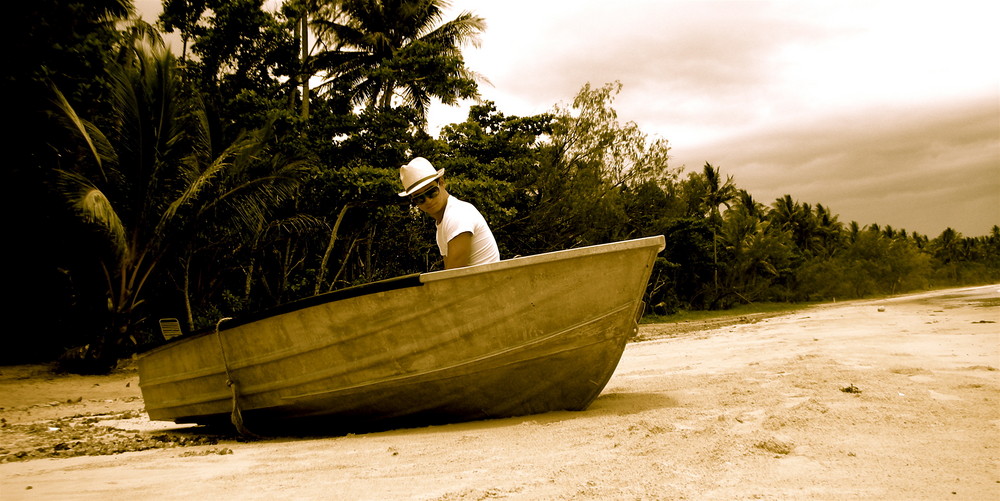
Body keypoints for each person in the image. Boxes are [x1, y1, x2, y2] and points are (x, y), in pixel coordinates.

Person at [398, 157, 500, 269]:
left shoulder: (457, 215)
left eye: (431, 192)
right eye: (419, 198)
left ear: (441, 182)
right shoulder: (444, 221)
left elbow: (452, 277)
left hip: (486, 284)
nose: (428, 200)